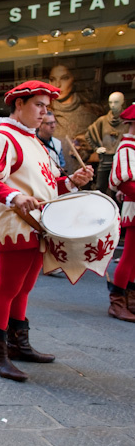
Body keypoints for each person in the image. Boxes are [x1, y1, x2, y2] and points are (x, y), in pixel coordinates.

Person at [0, 81, 94, 382]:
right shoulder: (3, 137)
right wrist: (14, 197)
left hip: (40, 224)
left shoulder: (35, 142)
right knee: (8, 288)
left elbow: (50, 188)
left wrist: (73, 181)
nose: (44, 112)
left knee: (24, 288)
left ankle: (18, 344)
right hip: (17, 224)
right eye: (38, 105)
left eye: (46, 107)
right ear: (19, 105)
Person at [107, 103, 135, 322]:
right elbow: (121, 181)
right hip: (133, 209)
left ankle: (130, 300)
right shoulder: (127, 148)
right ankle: (117, 303)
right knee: (128, 256)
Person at [48, 62, 103, 174]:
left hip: (84, 176)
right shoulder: (44, 114)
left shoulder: (90, 113)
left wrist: (87, 150)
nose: (57, 85)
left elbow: (104, 151)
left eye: (64, 78)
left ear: (74, 80)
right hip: (55, 176)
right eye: (53, 79)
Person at [86, 92, 126, 196]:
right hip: (105, 159)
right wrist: (96, 148)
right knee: (100, 187)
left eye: (116, 102)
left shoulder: (127, 121)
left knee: (119, 190)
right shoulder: (102, 121)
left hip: (121, 160)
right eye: (110, 102)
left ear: (122, 102)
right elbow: (89, 134)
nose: (113, 105)